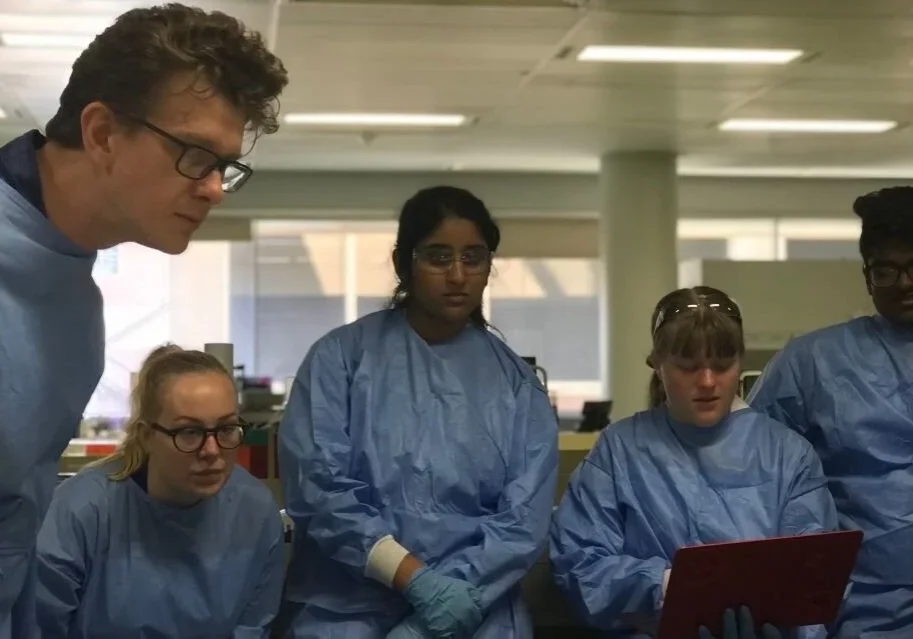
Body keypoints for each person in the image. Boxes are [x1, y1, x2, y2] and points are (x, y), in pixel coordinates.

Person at [0, 3, 287, 635]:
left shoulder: (75, 302)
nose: (213, 188)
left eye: (226, 167)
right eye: (195, 155)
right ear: (102, 132)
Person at [277, 185, 559, 639]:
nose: (458, 275)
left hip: (473, 606)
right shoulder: (342, 360)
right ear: (402, 263)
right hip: (348, 605)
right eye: (438, 257)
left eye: (474, 257)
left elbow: (523, 520)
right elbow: (319, 488)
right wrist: (415, 580)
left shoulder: (516, 384)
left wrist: (450, 601)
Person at [549, 286, 838, 639]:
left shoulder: (788, 456)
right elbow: (580, 566)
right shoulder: (620, 451)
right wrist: (665, 586)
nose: (707, 382)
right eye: (688, 367)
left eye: (722, 365)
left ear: (742, 361)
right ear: (657, 365)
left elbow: (815, 572)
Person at [749, 186, 913, 638]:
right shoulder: (812, 363)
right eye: (886, 270)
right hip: (856, 606)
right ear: (866, 276)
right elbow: (756, 478)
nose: (903, 282)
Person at [35, 345, 285, 638]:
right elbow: (38, 624)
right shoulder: (82, 511)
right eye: (188, 432)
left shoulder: (254, 512)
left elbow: (252, 627)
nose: (212, 450)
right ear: (147, 436)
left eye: (226, 429)